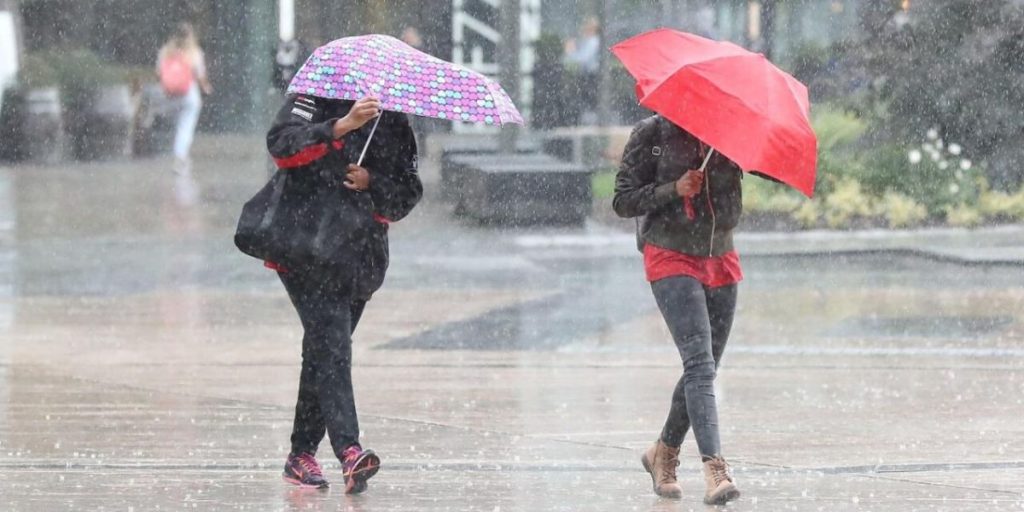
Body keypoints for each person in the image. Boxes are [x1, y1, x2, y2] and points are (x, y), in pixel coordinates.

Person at [265, 93, 422, 493]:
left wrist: (373, 182)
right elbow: (281, 146)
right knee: (332, 342)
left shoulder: (393, 119)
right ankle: (349, 451)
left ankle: (300, 455)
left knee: (324, 347)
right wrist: (340, 127)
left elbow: (408, 191)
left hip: (359, 255)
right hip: (305, 245)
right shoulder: (312, 97)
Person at [612, 114, 743, 505]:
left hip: (720, 256)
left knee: (704, 367)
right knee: (699, 365)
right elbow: (622, 200)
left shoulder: (729, 134)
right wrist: (674, 188)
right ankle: (715, 469)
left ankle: (663, 453)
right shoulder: (652, 134)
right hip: (669, 253)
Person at [157, 22, 213, 174]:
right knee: (185, 127)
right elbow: (200, 75)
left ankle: (178, 154)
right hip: (189, 95)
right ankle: (180, 157)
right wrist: (206, 87)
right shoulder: (194, 52)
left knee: (177, 126)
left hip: (170, 96)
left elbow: (159, 73)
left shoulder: (166, 52)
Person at [563, 17, 601, 122]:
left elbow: (583, 58)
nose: (584, 29)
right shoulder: (589, 41)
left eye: (587, 26)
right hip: (588, 75)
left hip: (592, 75)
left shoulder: (593, 41)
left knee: (589, 99)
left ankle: (591, 120)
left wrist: (570, 52)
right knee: (587, 98)